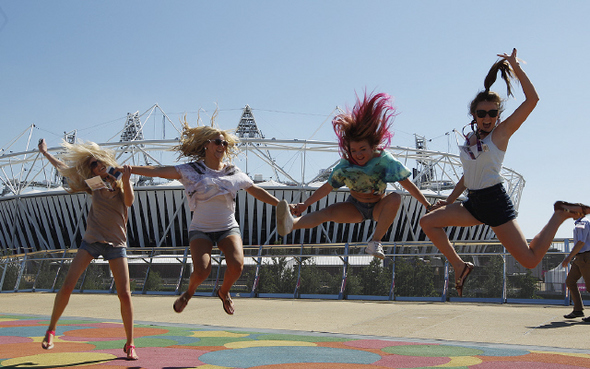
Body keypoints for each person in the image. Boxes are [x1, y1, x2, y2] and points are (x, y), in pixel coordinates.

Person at [420, 49, 589, 297]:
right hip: (473, 203)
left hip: (495, 201)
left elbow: (533, 100)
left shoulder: (500, 134)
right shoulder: (470, 139)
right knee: (427, 222)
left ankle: (559, 214)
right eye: (481, 113)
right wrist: (450, 200)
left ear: (498, 116)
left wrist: (516, 68)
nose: (487, 118)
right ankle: (460, 265)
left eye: (492, 113)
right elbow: (468, 176)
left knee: (530, 260)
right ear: (474, 115)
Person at [127, 118, 280, 315]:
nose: (222, 146)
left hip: (227, 227)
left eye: (224, 143)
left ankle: (224, 292)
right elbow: (159, 171)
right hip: (201, 228)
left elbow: (256, 190)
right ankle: (188, 294)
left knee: (237, 266)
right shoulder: (191, 170)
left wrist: (282, 204)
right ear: (206, 144)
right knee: (202, 271)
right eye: (218, 142)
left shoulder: (233, 171)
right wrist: (131, 170)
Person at [276, 92, 432, 259]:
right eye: (353, 151)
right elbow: (328, 187)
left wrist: (427, 204)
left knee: (395, 197)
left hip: (378, 207)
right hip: (355, 208)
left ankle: (375, 242)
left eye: (363, 149)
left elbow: (407, 183)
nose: (358, 155)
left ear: (373, 147)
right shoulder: (346, 165)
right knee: (326, 213)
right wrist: (305, 204)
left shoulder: (384, 160)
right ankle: (291, 224)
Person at [38, 139, 138, 360]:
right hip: (91, 241)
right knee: (67, 285)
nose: (97, 166)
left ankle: (130, 343)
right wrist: (45, 153)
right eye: (92, 164)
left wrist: (127, 180)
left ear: (106, 160)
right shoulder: (94, 183)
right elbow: (65, 169)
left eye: (98, 161)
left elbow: (129, 202)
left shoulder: (121, 181)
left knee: (125, 294)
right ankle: (51, 330)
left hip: (116, 244)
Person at [563, 215, 590, 321]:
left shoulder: (581, 224)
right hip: (580, 257)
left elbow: (581, 242)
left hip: (585, 257)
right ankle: (578, 309)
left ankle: (578, 309)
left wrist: (569, 257)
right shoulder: (582, 223)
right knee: (570, 281)